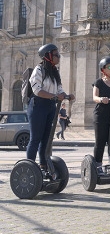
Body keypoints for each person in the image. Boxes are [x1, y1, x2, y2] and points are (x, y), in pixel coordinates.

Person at [26, 44, 75, 173]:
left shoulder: (54, 72)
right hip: (38, 106)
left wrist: (67, 96)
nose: (58, 57)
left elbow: (59, 89)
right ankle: (29, 167)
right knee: (36, 138)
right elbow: (37, 90)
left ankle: (43, 166)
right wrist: (54, 96)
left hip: (50, 106)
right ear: (47, 56)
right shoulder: (39, 70)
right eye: (56, 55)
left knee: (47, 139)